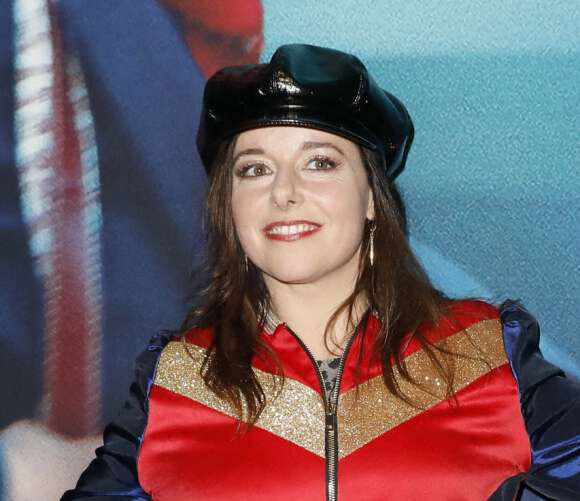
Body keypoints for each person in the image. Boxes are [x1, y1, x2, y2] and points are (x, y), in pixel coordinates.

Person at [62, 44, 580, 500]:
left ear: (373, 198)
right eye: (254, 169)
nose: (283, 192)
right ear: (231, 207)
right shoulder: (174, 380)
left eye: (320, 162)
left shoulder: (486, 352)